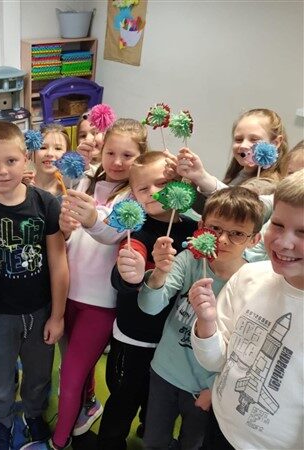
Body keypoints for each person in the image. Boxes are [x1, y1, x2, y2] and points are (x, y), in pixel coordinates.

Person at [22, 118, 148, 450]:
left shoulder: (136, 198)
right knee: (75, 367)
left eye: (128, 156)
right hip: (65, 294)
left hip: (100, 304)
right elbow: (69, 239)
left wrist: (90, 218)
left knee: (70, 376)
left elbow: (111, 235)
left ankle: (58, 441)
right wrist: (65, 228)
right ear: (102, 151)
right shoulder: (86, 181)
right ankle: (88, 404)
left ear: (141, 158)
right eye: (111, 153)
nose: (117, 162)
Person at [0, 121, 69, 450]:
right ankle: (3, 420)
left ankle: (33, 414)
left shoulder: (46, 203)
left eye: (11, 161)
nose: (2, 171)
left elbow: (58, 262)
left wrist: (58, 315)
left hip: (40, 310)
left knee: (39, 373)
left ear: (26, 159)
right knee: (0, 376)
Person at [135, 187, 264, 450]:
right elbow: (149, 307)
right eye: (215, 228)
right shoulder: (189, 260)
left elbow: (246, 350)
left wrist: (215, 388)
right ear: (201, 226)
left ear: (254, 239)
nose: (223, 240)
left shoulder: (252, 283)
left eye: (237, 233)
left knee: (192, 444)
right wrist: (160, 273)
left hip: (205, 388)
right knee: (153, 441)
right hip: (165, 372)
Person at [190, 170, 304, 450]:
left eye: (302, 232)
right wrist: (207, 324)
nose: (283, 242)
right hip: (220, 425)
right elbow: (217, 361)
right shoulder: (249, 276)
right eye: (277, 224)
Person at [97, 151, 199, 450]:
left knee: (157, 399)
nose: (153, 192)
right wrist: (131, 274)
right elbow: (125, 270)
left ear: (180, 184)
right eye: (143, 188)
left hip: (170, 340)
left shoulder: (194, 229)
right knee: (123, 397)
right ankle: (110, 443)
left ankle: (147, 426)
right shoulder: (135, 231)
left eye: (162, 183)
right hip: (133, 336)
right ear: (133, 195)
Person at [23, 123, 72, 197]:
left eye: (58, 148)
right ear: (31, 153)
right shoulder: (20, 189)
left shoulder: (71, 193)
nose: (50, 153)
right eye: (43, 148)